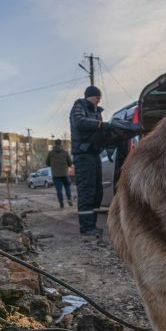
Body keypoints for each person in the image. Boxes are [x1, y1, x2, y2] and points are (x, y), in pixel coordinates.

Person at [69, 85, 110, 235]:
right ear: (89, 96)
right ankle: (86, 228)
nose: (99, 100)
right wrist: (99, 124)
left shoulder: (97, 112)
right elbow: (79, 122)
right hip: (83, 155)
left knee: (96, 191)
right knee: (87, 190)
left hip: (94, 154)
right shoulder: (78, 107)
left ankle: (92, 224)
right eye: (97, 97)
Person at [45, 139, 74, 209]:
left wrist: (52, 164)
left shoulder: (50, 153)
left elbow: (47, 163)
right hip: (64, 173)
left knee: (59, 190)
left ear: (55, 144)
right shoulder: (65, 152)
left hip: (55, 174)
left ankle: (61, 204)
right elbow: (70, 163)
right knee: (67, 186)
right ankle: (69, 198)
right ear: (61, 144)